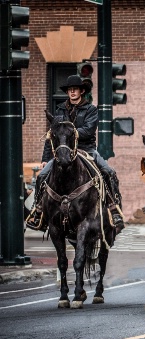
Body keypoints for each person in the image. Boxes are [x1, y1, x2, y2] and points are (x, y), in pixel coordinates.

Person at [26, 75, 125, 233]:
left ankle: (113, 209)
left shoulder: (91, 109)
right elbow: (52, 135)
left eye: (75, 89)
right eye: (69, 90)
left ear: (82, 91)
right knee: (41, 176)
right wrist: (45, 159)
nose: (72, 92)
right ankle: (38, 212)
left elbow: (88, 130)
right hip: (64, 151)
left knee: (108, 171)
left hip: (86, 149)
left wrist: (69, 132)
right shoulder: (60, 110)